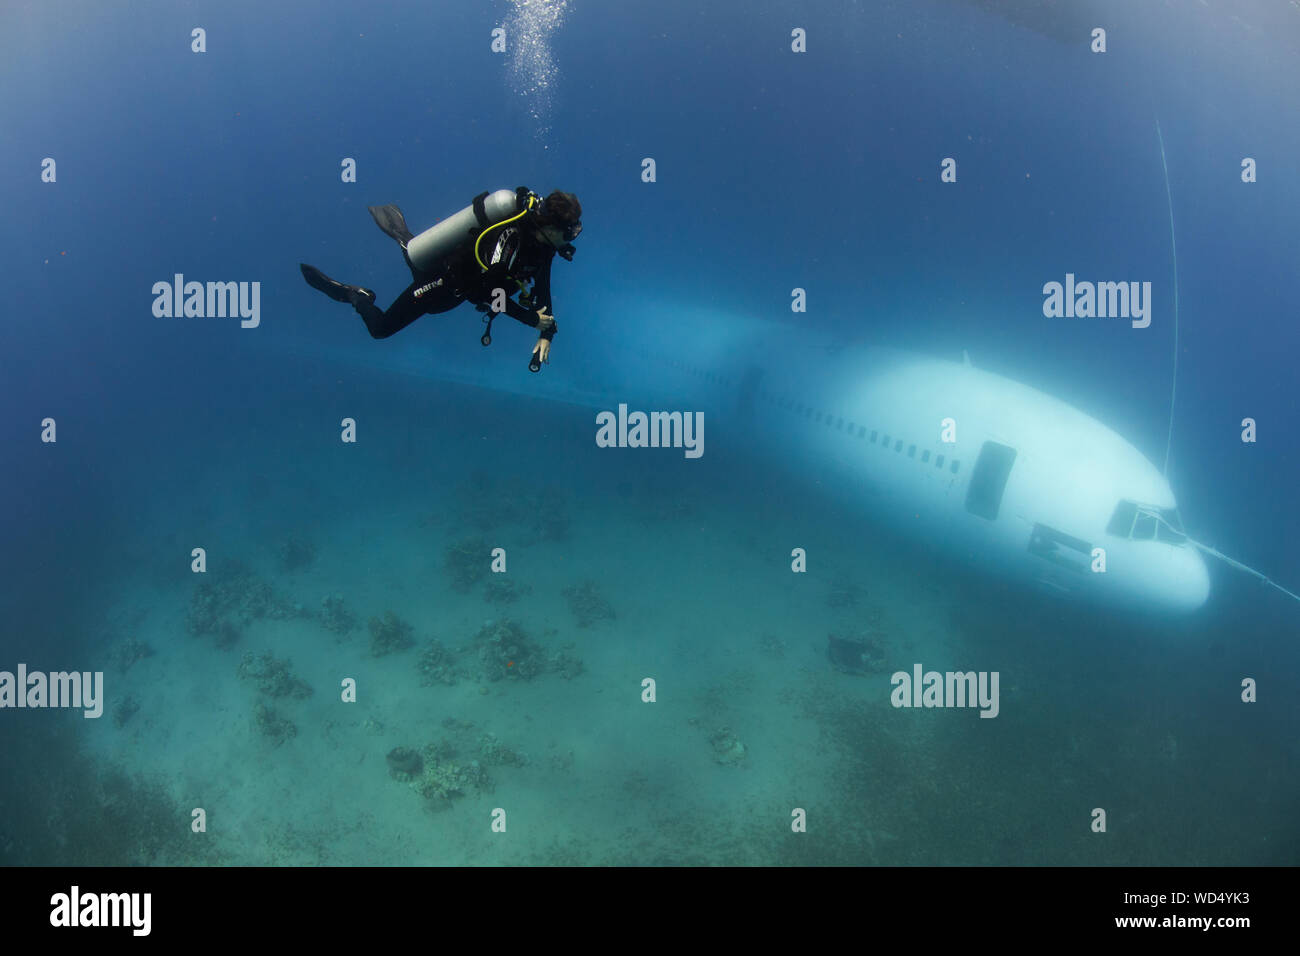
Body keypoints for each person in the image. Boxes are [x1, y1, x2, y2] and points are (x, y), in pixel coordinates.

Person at [300, 189, 582, 371]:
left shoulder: (545, 247)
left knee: (419, 265)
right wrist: (529, 319)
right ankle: (357, 295)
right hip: (443, 282)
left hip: (456, 290)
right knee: (381, 329)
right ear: (549, 227)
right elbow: (487, 291)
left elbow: (543, 289)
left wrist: (546, 333)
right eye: (568, 233)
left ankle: (404, 238)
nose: (570, 239)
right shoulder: (512, 239)